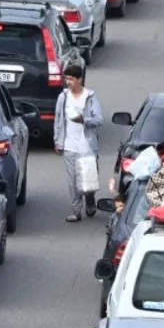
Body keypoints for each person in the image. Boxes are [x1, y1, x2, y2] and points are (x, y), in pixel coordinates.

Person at [53, 62, 104, 222]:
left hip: (87, 146)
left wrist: (84, 120)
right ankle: (76, 211)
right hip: (70, 146)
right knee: (73, 181)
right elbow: (58, 120)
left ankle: (90, 200)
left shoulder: (90, 97)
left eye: (71, 79)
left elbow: (99, 119)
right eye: (67, 79)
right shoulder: (63, 97)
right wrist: (58, 141)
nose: (68, 82)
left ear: (80, 79)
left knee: (88, 178)